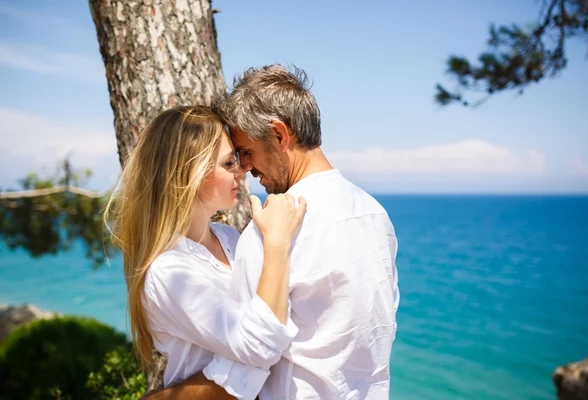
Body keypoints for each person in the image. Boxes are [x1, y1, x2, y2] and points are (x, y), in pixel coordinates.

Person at [147, 65, 400, 399]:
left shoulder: (268, 233)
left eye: (247, 152)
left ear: (280, 135)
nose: (246, 169)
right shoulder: (374, 214)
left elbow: (253, 353)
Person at [104, 105, 307, 398]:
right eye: (228, 164)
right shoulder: (168, 272)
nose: (241, 172)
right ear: (188, 174)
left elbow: (266, 337)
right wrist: (277, 242)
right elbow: (260, 345)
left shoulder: (229, 238)